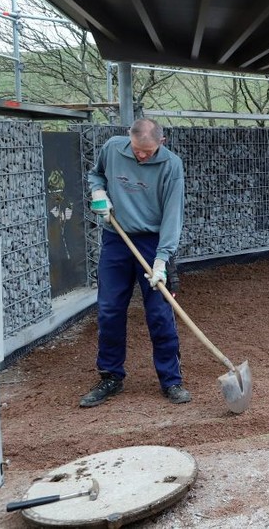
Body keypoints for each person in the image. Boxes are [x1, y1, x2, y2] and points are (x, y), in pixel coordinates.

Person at [80, 118, 190, 407]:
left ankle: (171, 380)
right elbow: (96, 175)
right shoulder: (113, 148)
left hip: (152, 242)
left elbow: (172, 215)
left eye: (148, 151)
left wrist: (162, 259)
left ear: (161, 143)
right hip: (116, 238)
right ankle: (110, 376)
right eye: (137, 150)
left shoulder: (171, 166)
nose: (141, 155)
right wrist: (98, 192)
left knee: (159, 313)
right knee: (109, 309)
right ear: (129, 140)